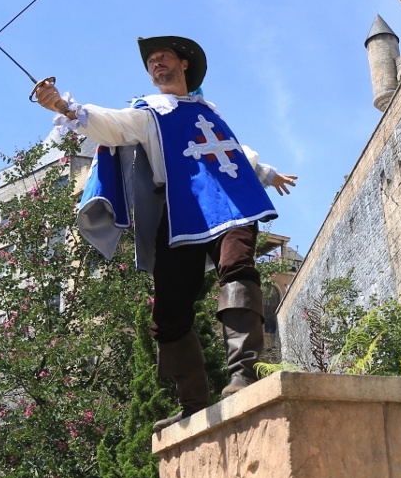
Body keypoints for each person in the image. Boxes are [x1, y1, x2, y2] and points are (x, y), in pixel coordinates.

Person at [34, 36, 296, 432]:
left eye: (163, 58)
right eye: (151, 61)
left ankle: (243, 373)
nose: (156, 64)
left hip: (231, 200)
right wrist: (64, 107)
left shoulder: (208, 109)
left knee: (237, 267)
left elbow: (232, 149)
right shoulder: (150, 112)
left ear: (183, 64)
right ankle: (193, 403)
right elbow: (114, 126)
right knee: (168, 314)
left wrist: (266, 173)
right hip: (182, 211)